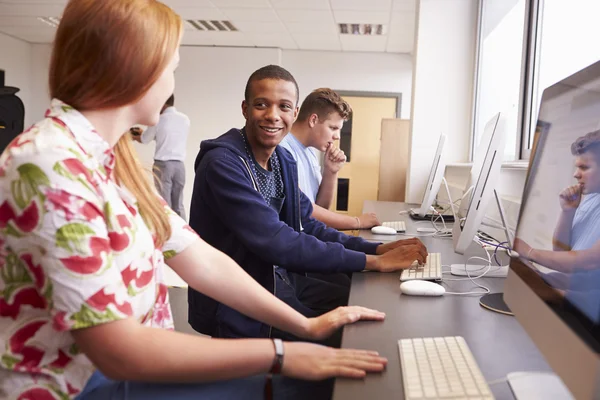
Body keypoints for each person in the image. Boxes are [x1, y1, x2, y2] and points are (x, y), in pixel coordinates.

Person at [0, 2, 390, 399]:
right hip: (84, 386)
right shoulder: (50, 164)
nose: (172, 84)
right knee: (299, 384)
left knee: (312, 376)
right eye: (171, 68)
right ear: (133, 65)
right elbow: (116, 351)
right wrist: (281, 354)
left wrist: (306, 327)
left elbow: (199, 258)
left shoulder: (114, 161)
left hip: (127, 371)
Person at [188, 64, 428, 344]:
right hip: (239, 298)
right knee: (349, 338)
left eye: (284, 106)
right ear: (245, 108)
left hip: (279, 278)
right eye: (261, 104)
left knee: (369, 306)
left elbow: (307, 223)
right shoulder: (224, 165)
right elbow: (277, 240)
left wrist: (376, 248)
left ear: (294, 112)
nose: (273, 115)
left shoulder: (282, 160)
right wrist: (373, 261)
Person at [279, 88, 380, 230]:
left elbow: (321, 208)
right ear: (313, 120)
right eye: (333, 128)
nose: (337, 136)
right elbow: (303, 209)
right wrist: (357, 222)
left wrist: (331, 172)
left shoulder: (309, 151)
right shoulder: (282, 149)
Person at [131, 94, 189, 219]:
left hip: (163, 166)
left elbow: (145, 139)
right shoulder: (185, 120)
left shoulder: (158, 120)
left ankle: (167, 233)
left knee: (165, 204)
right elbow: (170, 137)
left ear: (162, 104)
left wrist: (135, 136)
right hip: (179, 166)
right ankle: (184, 232)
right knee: (178, 204)